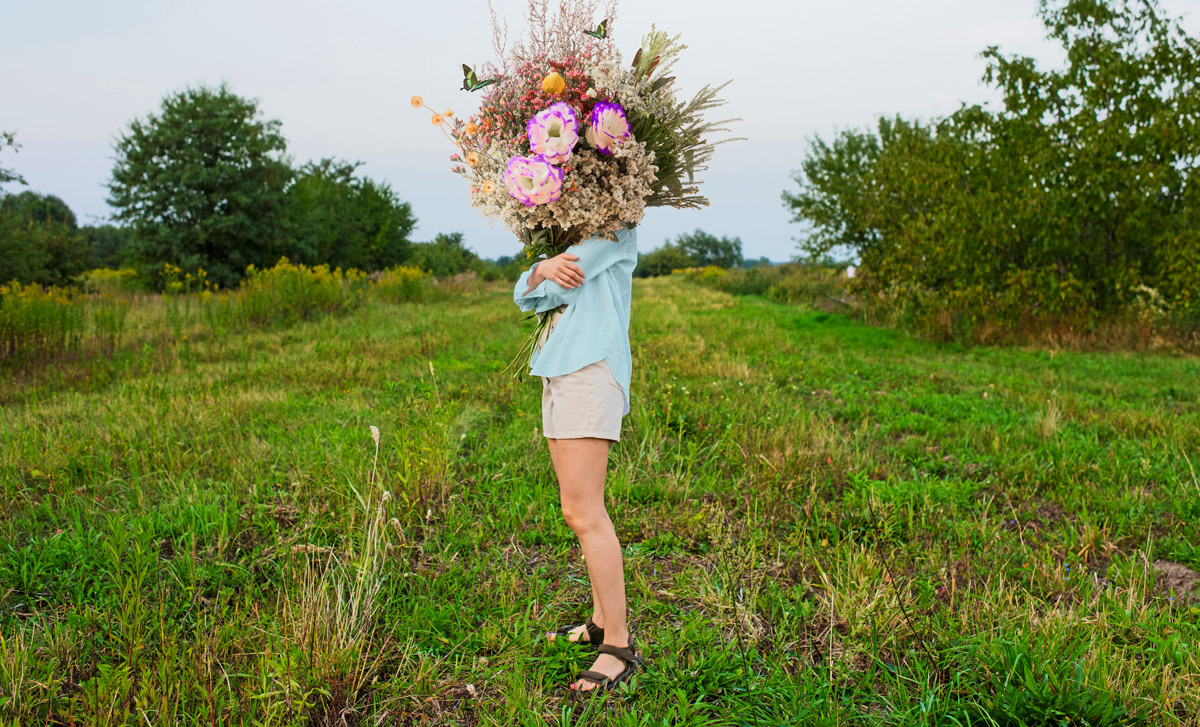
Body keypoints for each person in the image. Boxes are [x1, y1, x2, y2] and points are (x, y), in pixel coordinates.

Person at [512, 225, 642, 693]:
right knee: (577, 509)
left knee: (585, 511)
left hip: (588, 371)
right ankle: (602, 620)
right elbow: (526, 295)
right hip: (561, 369)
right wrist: (539, 269)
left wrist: (542, 271)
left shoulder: (614, 226)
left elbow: (556, 282)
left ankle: (619, 648)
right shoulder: (574, 231)